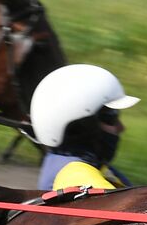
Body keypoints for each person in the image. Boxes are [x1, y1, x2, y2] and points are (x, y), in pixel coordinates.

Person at [30, 63, 139, 194]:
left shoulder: (81, 163)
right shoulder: (75, 176)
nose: (121, 128)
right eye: (111, 117)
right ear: (81, 126)